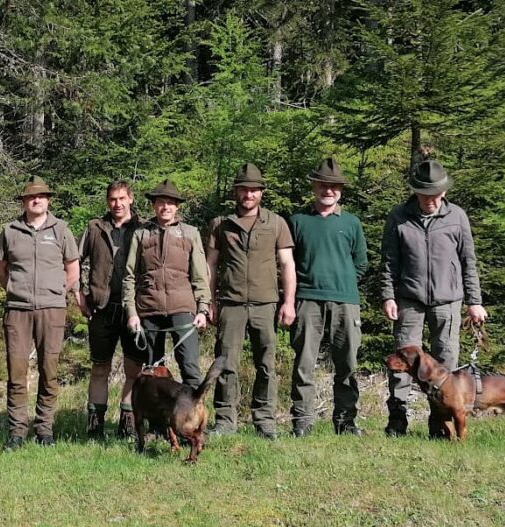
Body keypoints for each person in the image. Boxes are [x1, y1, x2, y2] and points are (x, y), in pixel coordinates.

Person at [380, 159, 487, 437]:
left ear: (444, 192)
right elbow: (389, 262)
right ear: (415, 192)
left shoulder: (457, 217)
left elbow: (468, 261)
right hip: (409, 300)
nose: (430, 201)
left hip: (448, 302)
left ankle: (439, 425)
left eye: (435, 195)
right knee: (400, 365)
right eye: (424, 195)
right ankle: (397, 422)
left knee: (446, 363)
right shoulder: (398, 216)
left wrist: (474, 302)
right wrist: (388, 296)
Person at [205, 163, 296, 440]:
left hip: (265, 303)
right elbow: (210, 265)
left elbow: (287, 264)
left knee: (266, 364)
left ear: (261, 193)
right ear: (236, 191)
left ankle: (265, 420)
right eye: (244, 189)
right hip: (230, 303)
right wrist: (208, 302)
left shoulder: (276, 222)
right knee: (225, 363)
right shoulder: (221, 224)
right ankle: (224, 420)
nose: (249, 195)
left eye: (254, 190)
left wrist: (288, 302)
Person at [0, 175, 80, 450]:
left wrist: (57, 292)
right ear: (24, 201)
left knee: (49, 370)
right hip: (17, 310)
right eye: (31, 197)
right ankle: (17, 431)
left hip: (52, 309)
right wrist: (16, 290)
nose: (36, 200)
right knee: (16, 371)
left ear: (48, 200)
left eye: (41, 196)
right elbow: (0, 269)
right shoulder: (9, 231)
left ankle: (45, 429)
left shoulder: (61, 230)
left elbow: (73, 267)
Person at [288, 158, 368, 437]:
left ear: (340, 190)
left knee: (347, 365)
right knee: (304, 365)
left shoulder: (351, 223)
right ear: (314, 187)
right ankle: (303, 422)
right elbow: (288, 263)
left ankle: (346, 422)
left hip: (346, 301)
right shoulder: (298, 221)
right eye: (323, 185)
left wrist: (341, 283)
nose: (328, 191)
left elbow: (360, 263)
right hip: (307, 300)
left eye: (334, 186)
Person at [123, 179, 211, 389]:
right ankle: (158, 422)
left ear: (177, 206)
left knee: (189, 366)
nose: (165, 207)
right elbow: (129, 276)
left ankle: (191, 418)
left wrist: (203, 309)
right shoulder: (141, 234)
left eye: (170, 202)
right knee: (153, 370)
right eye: (161, 202)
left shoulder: (190, 233)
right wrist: (131, 312)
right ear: (153, 205)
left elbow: (200, 275)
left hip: (182, 308)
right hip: (149, 309)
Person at [77, 180, 144, 439]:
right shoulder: (94, 228)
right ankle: (95, 426)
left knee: (133, 370)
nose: (117, 203)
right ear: (108, 201)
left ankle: (127, 424)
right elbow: (74, 260)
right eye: (113, 199)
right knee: (99, 368)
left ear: (131, 199)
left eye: (122, 198)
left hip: (133, 310)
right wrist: (80, 294)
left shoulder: (143, 228)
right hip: (101, 309)